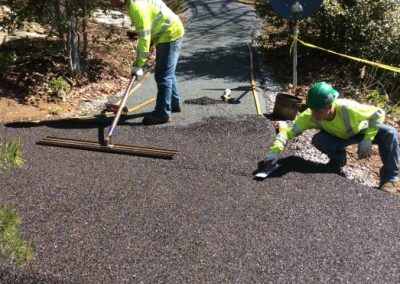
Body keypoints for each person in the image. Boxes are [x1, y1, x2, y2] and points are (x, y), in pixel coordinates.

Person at [258, 81, 400, 194]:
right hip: (337, 137)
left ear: (330, 106)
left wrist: (368, 138)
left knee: (390, 133)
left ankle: (389, 179)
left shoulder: (348, 108)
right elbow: (287, 133)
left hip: (360, 131)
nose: (314, 115)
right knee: (319, 140)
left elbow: (379, 113)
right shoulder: (309, 116)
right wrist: (274, 152)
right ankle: (338, 162)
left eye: (318, 111)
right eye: (312, 109)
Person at [110, 0, 184, 125]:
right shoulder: (134, 3)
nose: (111, 2)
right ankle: (173, 103)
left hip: (169, 33)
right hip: (170, 30)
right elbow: (149, 22)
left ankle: (162, 114)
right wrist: (149, 46)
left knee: (163, 75)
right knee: (167, 72)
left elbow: (144, 37)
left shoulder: (135, 7)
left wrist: (138, 65)